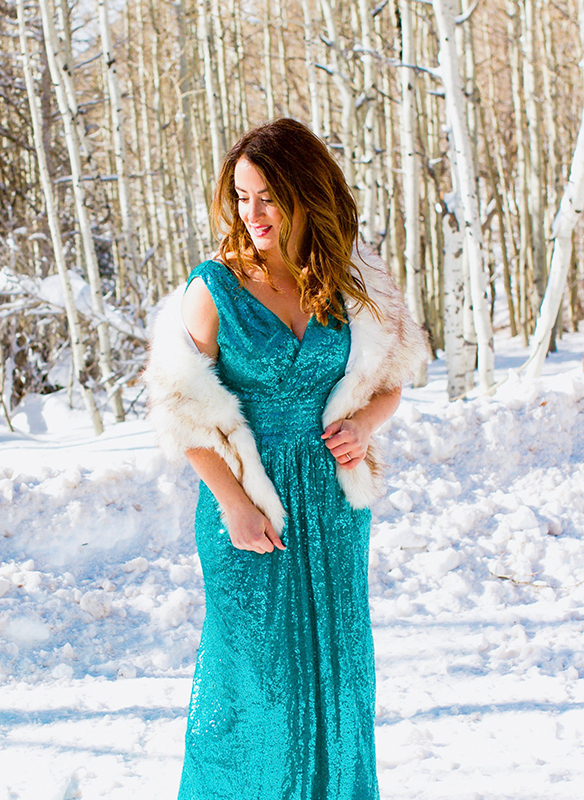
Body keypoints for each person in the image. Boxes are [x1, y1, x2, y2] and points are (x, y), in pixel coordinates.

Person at [143, 118, 426, 800]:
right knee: (260, 692)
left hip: (331, 507)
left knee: (338, 681)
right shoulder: (214, 287)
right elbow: (178, 412)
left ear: (305, 191)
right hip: (251, 511)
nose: (253, 213)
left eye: (267, 195)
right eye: (242, 197)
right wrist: (232, 503)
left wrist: (361, 423)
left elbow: (392, 378)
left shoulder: (355, 280)